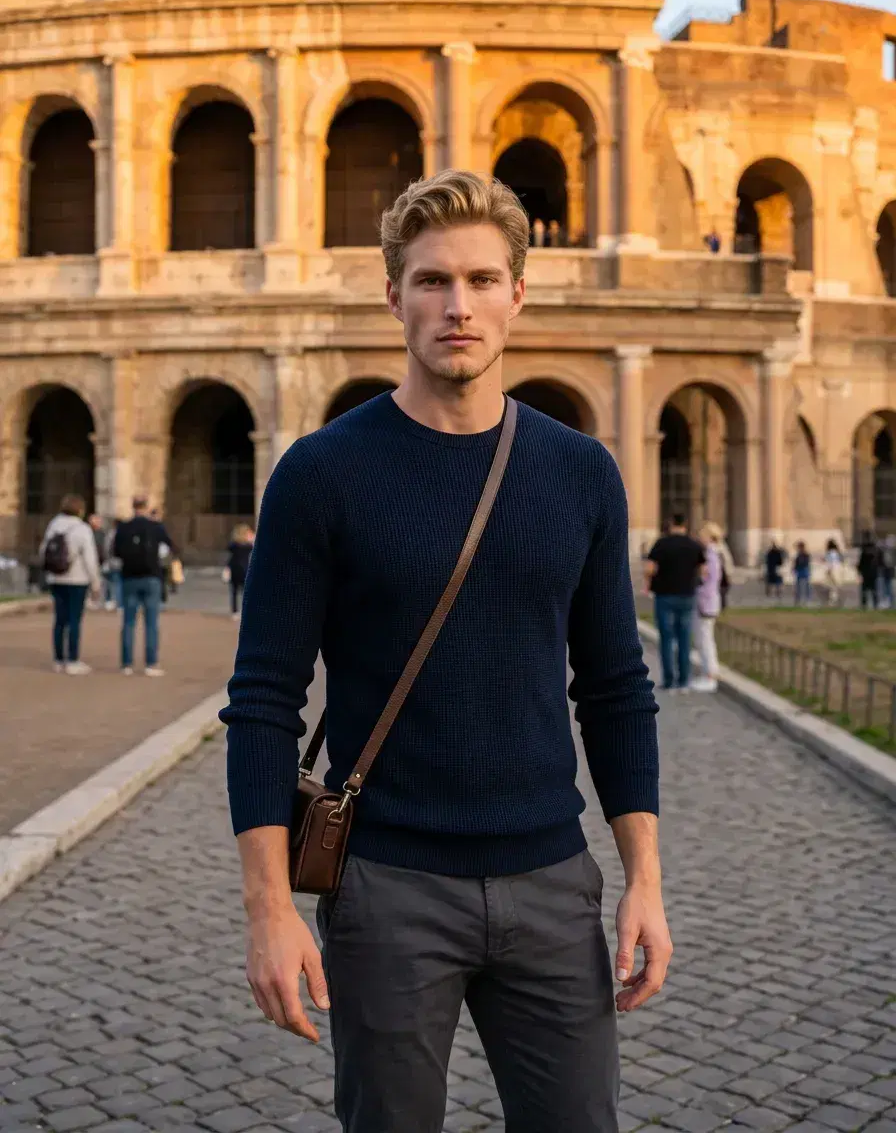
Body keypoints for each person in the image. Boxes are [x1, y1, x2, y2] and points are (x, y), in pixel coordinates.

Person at [221, 169, 671, 1133]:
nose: (456, 306)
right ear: (394, 296)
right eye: (430, 281)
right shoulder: (321, 474)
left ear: (519, 291)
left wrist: (645, 881)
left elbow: (616, 688)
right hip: (386, 888)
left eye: (478, 280)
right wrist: (269, 908)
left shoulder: (582, 472)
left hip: (553, 881)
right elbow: (263, 700)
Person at [39, 494, 102, 675]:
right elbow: (90, 559)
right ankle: (73, 659)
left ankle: (58, 659)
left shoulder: (53, 525)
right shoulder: (82, 529)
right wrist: (95, 583)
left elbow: (44, 550)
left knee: (59, 620)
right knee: (74, 620)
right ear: (80, 510)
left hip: (56, 578)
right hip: (77, 580)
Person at [113, 497, 175, 677]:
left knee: (128, 622)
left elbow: (115, 551)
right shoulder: (155, 526)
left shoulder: (124, 527)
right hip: (151, 576)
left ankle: (126, 664)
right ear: (146, 507)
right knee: (151, 623)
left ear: (133, 507)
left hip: (130, 576)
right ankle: (151, 663)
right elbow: (170, 545)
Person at [644, 514, 706, 691]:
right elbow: (703, 570)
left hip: (664, 596)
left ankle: (669, 680)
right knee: (685, 638)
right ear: (685, 524)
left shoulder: (661, 544)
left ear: (670, 524)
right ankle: (684, 680)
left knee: (666, 639)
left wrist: (649, 583)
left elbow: (650, 569)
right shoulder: (694, 545)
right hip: (687, 595)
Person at [692, 522, 723, 693]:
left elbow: (709, 582)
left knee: (705, 640)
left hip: (706, 601)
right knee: (704, 639)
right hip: (707, 600)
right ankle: (710, 672)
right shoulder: (712, 554)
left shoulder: (711, 555)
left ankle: (710, 675)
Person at [225, 523, 254, 620]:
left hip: (234, 569)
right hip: (244, 570)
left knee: (234, 592)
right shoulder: (248, 546)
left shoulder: (234, 545)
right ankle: (247, 611)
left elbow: (230, 552)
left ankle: (234, 612)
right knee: (245, 592)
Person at [858, 534, 880, 609]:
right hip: (873, 573)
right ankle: (875, 604)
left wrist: (859, 570)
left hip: (866, 573)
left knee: (864, 590)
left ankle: (864, 604)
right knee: (874, 589)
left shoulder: (864, 551)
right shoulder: (876, 551)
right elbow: (879, 562)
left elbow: (861, 563)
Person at [823, 538, 845, 607]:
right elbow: (841, 561)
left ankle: (833, 601)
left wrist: (828, 570)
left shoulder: (830, 553)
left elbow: (830, 562)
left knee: (833, 587)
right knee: (835, 586)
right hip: (838, 569)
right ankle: (836, 600)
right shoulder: (837, 553)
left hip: (832, 569)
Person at [878, 534, 896, 608]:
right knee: (885, 587)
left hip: (890, 571)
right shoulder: (885, 550)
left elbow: (891, 562)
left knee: (889, 587)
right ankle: (887, 602)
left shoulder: (892, 551)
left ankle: (890, 602)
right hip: (885, 571)